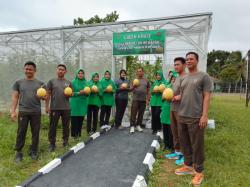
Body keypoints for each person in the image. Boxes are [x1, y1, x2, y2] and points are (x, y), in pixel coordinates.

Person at [175, 52, 213, 186]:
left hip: (195, 116)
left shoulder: (204, 76)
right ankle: (188, 165)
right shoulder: (184, 78)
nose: (189, 61)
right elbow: (183, 95)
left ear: (197, 61)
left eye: (191, 59)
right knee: (184, 142)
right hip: (182, 115)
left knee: (197, 144)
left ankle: (199, 171)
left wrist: (204, 115)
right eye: (187, 59)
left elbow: (207, 96)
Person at [11, 61, 46, 161]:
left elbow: (46, 97)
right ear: (24, 70)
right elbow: (15, 97)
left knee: (35, 132)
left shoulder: (41, 84)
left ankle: (33, 150)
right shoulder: (18, 82)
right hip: (23, 111)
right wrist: (13, 111)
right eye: (26, 69)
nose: (28, 71)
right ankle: (18, 152)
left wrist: (42, 96)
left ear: (35, 70)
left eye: (30, 69)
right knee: (21, 131)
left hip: (36, 111)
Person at [165, 57, 186, 166]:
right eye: (175, 65)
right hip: (173, 107)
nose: (176, 67)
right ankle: (177, 151)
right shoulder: (177, 78)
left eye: (178, 64)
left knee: (182, 132)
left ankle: (184, 155)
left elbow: (187, 93)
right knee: (174, 131)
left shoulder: (186, 78)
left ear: (184, 65)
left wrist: (178, 97)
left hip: (181, 109)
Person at [46, 64, 72, 152]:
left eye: (62, 70)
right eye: (59, 69)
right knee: (53, 126)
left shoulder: (68, 82)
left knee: (66, 126)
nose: (60, 71)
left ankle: (65, 141)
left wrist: (69, 94)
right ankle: (52, 144)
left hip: (66, 108)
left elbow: (71, 94)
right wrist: (47, 106)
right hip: (54, 108)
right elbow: (48, 94)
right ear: (56, 70)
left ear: (65, 71)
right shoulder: (51, 81)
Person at [130, 67, 150, 133]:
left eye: (141, 71)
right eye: (138, 71)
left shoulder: (146, 80)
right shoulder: (134, 80)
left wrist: (147, 99)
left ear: (143, 72)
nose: (139, 72)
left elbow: (148, 91)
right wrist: (134, 86)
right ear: (136, 72)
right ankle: (132, 126)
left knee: (141, 113)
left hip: (143, 100)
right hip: (135, 99)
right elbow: (130, 90)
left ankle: (138, 125)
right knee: (133, 113)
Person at [160, 74, 177, 150]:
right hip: (165, 108)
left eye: (175, 79)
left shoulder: (178, 88)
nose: (173, 80)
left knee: (172, 129)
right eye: (172, 78)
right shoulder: (167, 87)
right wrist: (163, 97)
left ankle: (172, 145)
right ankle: (166, 144)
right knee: (165, 127)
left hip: (173, 109)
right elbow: (162, 98)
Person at [70, 69, 88, 138]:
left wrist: (86, 92)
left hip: (83, 103)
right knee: (74, 119)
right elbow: (70, 93)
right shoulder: (73, 82)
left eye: (82, 73)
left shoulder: (86, 83)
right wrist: (78, 93)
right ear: (76, 74)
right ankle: (74, 135)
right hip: (75, 103)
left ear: (83, 75)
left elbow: (88, 93)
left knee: (81, 118)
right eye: (79, 73)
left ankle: (79, 134)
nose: (80, 74)